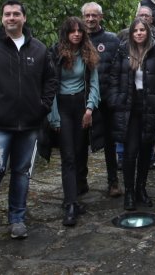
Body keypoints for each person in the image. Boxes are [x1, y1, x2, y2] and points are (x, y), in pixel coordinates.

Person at [0, 0, 59, 250]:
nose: (11, 18)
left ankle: (17, 218)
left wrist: (43, 106)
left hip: (29, 125)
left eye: (16, 14)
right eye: (7, 14)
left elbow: (51, 80)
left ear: (24, 18)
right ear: (2, 19)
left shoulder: (39, 49)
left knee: (21, 174)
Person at [47, 16, 101, 227]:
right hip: (62, 107)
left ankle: (74, 195)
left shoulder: (88, 54)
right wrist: (54, 116)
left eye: (80, 31)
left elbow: (94, 83)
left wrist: (89, 109)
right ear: (66, 33)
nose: (77, 34)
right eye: (72, 31)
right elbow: (50, 86)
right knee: (68, 155)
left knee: (79, 154)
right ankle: (70, 205)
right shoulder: (56, 54)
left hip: (81, 106)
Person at [110, 18, 155, 211]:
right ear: (131, 34)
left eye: (142, 30)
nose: (139, 33)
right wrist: (116, 99)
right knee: (130, 152)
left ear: (147, 32)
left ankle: (142, 189)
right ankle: (130, 192)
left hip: (149, 106)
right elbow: (114, 77)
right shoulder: (123, 51)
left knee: (146, 150)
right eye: (136, 30)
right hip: (129, 108)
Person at [82, 2, 124, 199]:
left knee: (109, 142)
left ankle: (113, 181)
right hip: (82, 100)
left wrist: (115, 96)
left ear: (101, 17)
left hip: (106, 99)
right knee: (80, 141)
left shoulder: (112, 40)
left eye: (94, 15)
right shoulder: (76, 38)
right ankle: (81, 181)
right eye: (87, 15)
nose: (90, 19)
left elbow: (119, 70)